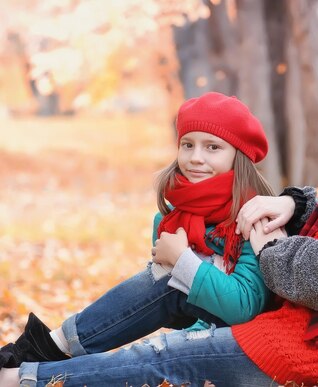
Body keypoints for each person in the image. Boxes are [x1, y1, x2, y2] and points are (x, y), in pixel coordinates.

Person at [0, 8, 318, 387]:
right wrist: (296, 205)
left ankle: (24, 379)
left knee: (166, 358)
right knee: (171, 282)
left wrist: (273, 250)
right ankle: (47, 350)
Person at [0, 92, 274, 386]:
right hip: (209, 327)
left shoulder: (255, 215)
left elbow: (246, 308)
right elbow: (163, 309)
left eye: (212, 147)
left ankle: (43, 351)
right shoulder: (170, 218)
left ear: (238, 156)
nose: (196, 157)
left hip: (253, 341)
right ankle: (43, 355)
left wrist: (183, 261)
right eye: (187, 145)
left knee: (171, 279)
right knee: (157, 312)